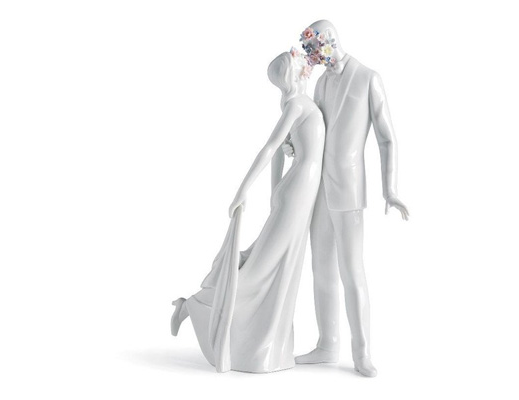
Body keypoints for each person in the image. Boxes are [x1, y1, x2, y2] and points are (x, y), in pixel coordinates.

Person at [170, 51, 325, 373]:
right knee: (262, 269)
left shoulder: (298, 104)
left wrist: (274, 189)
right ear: (294, 74)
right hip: (297, 191)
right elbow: (271, 147)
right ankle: (196, 306)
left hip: (300, 191)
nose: (306, 66)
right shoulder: (297, 104)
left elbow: (282, 150)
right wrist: (245, 190)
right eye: (301, 64)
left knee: (278, 268)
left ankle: (267, 346)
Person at [291, 20, 409, 377]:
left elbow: (387, 138)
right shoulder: (321, 83)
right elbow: (315, 130)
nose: (312, 58)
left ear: (328, 41)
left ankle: (362, 352)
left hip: (349, 189)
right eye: (310, 53)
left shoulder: (368, 78)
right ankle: (327, 344)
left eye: (314, 50)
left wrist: (390, 189)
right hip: (319, 188)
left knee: (352, 271)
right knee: (320, 268)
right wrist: (293, 145)